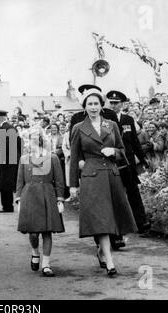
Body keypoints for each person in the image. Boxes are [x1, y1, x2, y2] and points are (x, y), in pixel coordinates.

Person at [69, 85, 137, 276]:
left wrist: (113, 151)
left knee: (110, 218)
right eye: (89, 104)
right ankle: (110, 261)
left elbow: (123, 152)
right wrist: (73, 185)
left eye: (96, 104)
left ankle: (101, 251)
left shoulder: (111, 125)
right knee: (102, 219)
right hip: (92, 177)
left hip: (111, 175)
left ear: (101, 106)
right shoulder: (78, 128)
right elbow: (74, 158)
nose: (93, 107)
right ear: (84, 107)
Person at [15, 130, 65, 277]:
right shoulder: (24, 159)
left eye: (37, 140)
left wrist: (60, 199)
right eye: (31, 140)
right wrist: (18, 199)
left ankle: (46, 264)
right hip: (29, 196)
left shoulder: (53, 158)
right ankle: (35, 252)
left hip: (48, 195)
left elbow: (60, 181)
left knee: (47, 231)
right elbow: (19, 181)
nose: (34, 143)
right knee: (33, 232)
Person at [106, 91, 150, 239]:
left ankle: (141, 223)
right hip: (113, 163)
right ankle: (118, 229)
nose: (113, 105)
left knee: (134, 193)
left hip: (128, 162)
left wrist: (143, 159)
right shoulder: (104, 120)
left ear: (122, 104)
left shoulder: (128, 119)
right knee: (116, 195)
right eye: (111, 102)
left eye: (116, 103)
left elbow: (135, 142)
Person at [0, 109, 21, 213]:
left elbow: (11, 145)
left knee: (6, 183)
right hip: (6, 159)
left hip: (8, 160)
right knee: (3, 182)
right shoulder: (5, 128)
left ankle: (8, 206)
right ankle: (6, 205)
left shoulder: (8, 128)